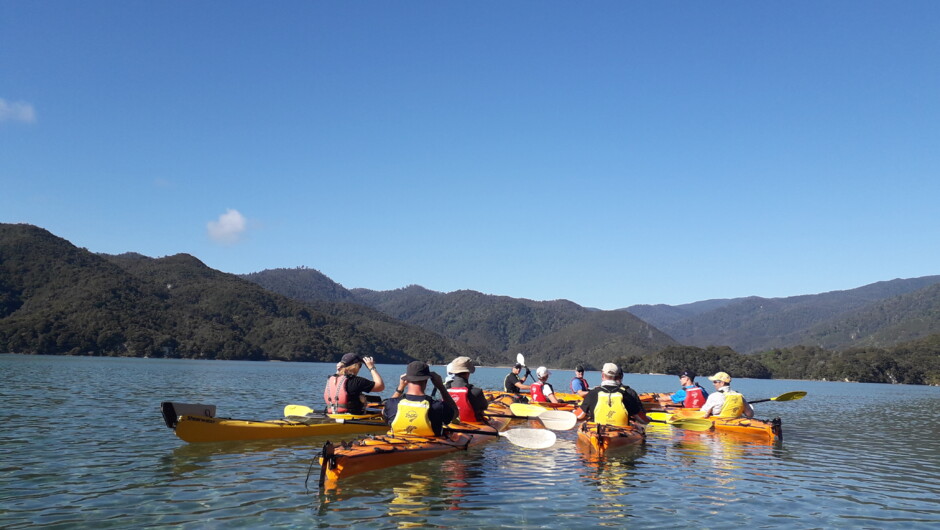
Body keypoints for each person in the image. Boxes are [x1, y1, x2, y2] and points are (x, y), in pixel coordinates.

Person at [384, 360, 458, 437]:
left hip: (397, 443)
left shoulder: (391, 404)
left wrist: (400, 388)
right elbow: (455, 413)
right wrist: (441, 387)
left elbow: (385, 411)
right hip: (429, 446)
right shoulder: (438, 406)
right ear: (426, 380)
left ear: (406, 380)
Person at [576, 363, 649, 426]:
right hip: (622, 433)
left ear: (602, 375)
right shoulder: (628, 394)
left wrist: (573, 413)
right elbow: (642, 420)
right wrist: (649, 419)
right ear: (619, 376)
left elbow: (579, 415)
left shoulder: (593, 393)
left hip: (598, 431)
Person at [443, 356, 489, 423]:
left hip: (451, 425)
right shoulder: (476, 392)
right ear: (468, 373)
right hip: (473, 426)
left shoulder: (445, 390)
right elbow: (484, 406)